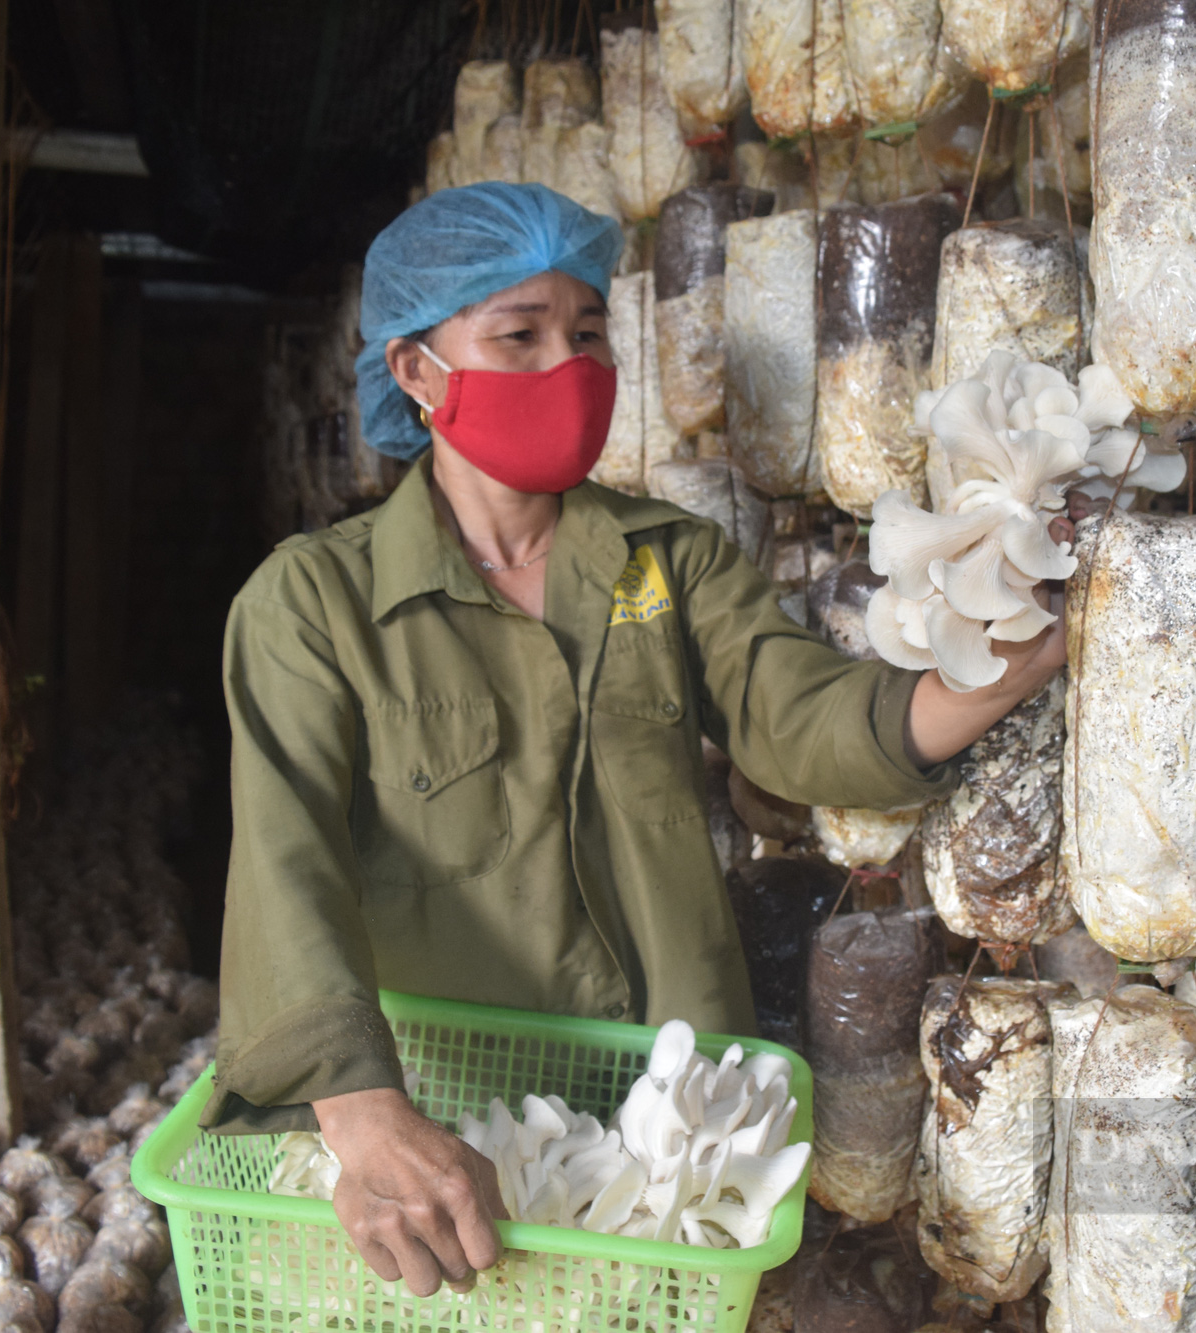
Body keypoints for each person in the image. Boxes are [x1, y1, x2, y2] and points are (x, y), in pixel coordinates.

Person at [208, 182, 1066, 1298]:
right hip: (446, 1138)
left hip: (663, 1142)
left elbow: (802, 722)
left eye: (588, 331)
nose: (566, 366)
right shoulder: (313, 604)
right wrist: (367, 1124)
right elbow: (286, 864)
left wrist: (1005, 665)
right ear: (416, 372)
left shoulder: (668, 560)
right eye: (516, 336)